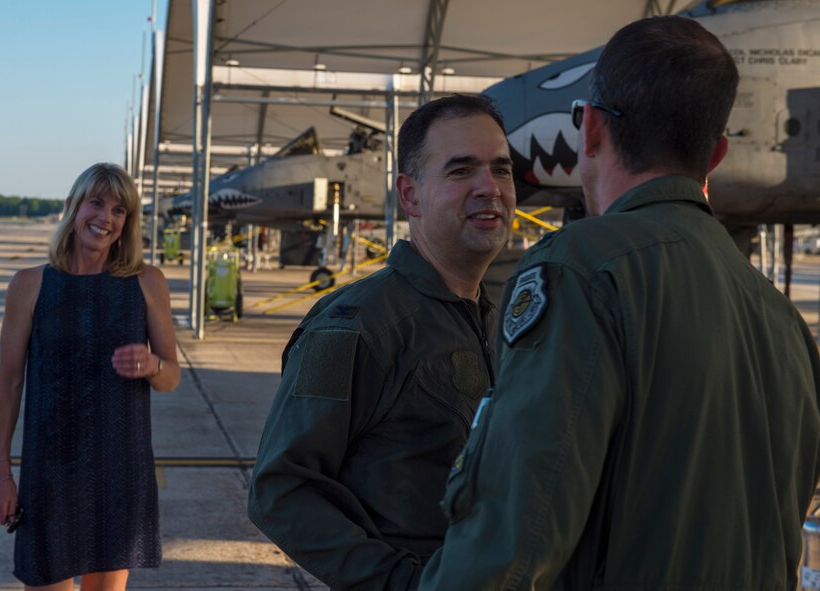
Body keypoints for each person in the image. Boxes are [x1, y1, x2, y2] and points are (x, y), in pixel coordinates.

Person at [419, 16, 820, 591]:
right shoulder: (783, 322)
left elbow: (512, 537)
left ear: (592, 129)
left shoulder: (580, 271)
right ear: (717, 153)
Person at [248, 94, 516, 589]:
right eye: (461, 171)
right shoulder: (357, 325)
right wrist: (400, 584)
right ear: (409, 196)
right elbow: (280, 489)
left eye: (501, 170)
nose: (490, 188)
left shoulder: (497, 320)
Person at [0, 163, 181, 590]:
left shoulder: (147, 282)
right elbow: (9, 381)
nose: (105, 218)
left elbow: (171, 378)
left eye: (119, 210)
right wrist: (1, 475)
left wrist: (153, 366)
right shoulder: (30, 284)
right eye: (96, 203)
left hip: (120, 472)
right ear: (74, 206)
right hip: (50, 472)